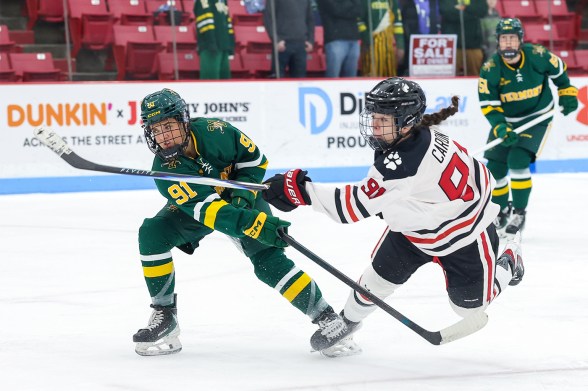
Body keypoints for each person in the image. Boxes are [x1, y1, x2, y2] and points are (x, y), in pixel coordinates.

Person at [262, 77, 524, 354]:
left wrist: (298, 189)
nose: (374, 125)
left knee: (468, 308)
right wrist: (406, 207)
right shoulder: (418, 137)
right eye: (374, 116)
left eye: (383, 119)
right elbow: (476, 177)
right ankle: (347, 323)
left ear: (407, 122)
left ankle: (508, 262)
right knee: (375, 281)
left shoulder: (402, 163)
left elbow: (350, 207)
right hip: (412, 233)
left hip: (464, 237)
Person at [132, 88, 352, 356]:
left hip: (242, 197)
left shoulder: (216, 131)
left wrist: (242, 198)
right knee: (152, 233)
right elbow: (211, 212)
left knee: (269, 262)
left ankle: (326, 317)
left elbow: (255, 161)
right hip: (203, 209)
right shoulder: (166, 171)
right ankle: (165, 315)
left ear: (184, 121)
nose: (164, 136)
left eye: (169, 126)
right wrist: (254, 224)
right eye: (156, 129)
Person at [478, 18, 579, 238]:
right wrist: (500, 128)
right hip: (506, 122)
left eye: (512, 38)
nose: (508, 43)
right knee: (494, 167)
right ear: (498, 42)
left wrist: (566, 91)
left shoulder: (538, 55)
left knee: (517, 161)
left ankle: (519, 213)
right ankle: (501, 210)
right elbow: (489, 106)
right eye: (503, 39)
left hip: (537, 118)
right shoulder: (490, 69)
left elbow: (559, 71)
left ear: (520, 40)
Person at [263, 0, 315, 78]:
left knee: (300, 81)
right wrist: (276, 40)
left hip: (301, 44)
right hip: (282, 44)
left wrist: (311, 40)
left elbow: (310, 19)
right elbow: (268, 18)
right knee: (277, 80)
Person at [439, 0, 488, 76]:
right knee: (449, 77)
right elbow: (446, 11)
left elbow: (482, 10)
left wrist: (463, 8)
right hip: (452, 45)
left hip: (474, 43)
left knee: (475, 77)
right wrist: (472, 14)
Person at [315, 0, 362, 77]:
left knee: (352, 79)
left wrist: (347, 7)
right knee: (333, 76)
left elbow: (359, 10)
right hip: (335, 39)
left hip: (353, 38)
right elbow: (337, 9)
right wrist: (351, 5)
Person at [359, 0, 405, 77]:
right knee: (371, 77)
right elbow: (359, 22)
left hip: (389, 46)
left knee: (390, 78)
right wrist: (366, 39)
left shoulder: (392, 2)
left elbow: (398, 24)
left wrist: (401, 46)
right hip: (371, 46)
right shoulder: (364, 2)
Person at [397, 0, 441, 76]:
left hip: (431, 43)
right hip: (412, 43)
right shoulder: (405, 2)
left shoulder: (434, 2)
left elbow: (437, 18)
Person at [193, 0, 234, 79]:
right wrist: (211, 44)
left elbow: (227, 21)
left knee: (225, 83)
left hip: (223, 46)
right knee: (210, 84)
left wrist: (229, 44)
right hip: (210, 48)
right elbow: (205, 23)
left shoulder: (223, 1)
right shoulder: (203, 1)